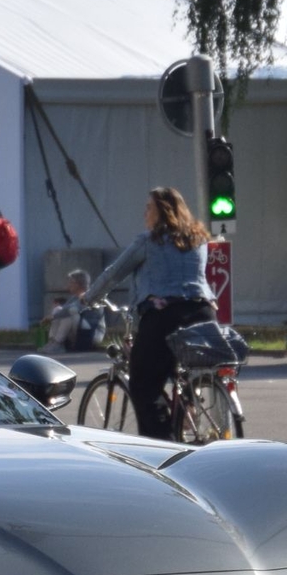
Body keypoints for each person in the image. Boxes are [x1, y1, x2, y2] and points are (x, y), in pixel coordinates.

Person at [86, 186, 217, 439]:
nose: (144, 213)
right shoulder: (199, 239)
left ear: (163, 212)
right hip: (203, 313)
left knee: (143, 384)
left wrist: (89, 298)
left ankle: (162, 446)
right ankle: (188, 405)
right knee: (179, 367)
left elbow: (115, 273)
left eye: (149, 208)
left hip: (165, 317)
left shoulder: (147, 241)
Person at [43, 269, 104, 352]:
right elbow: (63, 310)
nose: (68, 285)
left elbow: (72, 309)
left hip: (92, 333)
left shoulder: (90, 297)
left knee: (70, 312)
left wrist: (53, 317)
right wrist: (55, 314)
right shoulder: (74, 297)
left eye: (71, 282)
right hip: (79, 330)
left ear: (78, 284)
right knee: (59, 310)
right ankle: (52, 341)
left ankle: (58, 343)